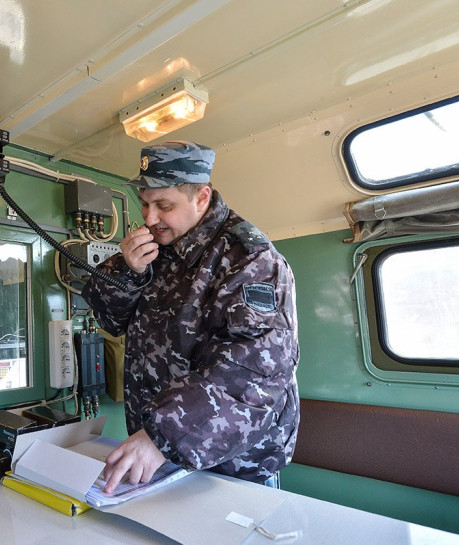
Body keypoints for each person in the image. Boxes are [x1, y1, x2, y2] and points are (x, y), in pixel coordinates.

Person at [81, 141, 299, 494]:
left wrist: (162, 436)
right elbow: (110, 320)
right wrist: (128, 273)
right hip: (160, 449)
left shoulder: (250, 259)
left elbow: (252, 372)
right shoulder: (155, 245)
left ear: (201, 197)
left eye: (164, 206)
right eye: (145, 203)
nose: (150, 219)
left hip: (230, 463)